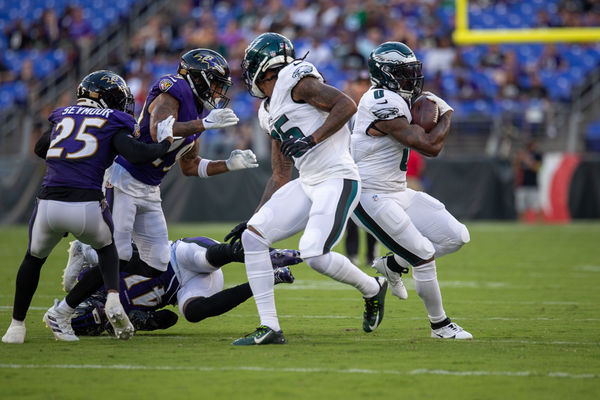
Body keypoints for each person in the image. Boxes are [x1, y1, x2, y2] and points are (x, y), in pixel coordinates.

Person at [52, 49, 259, 341]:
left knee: (158, 261)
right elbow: (160, 129)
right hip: (124, 178)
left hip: (150, 189)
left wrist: (229, 164)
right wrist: (205, 124)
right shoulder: (172, 88)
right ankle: (68, 295)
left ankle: (88, 251)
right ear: (197, 77)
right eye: (214, 82)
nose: (217, 91)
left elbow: (189, 166)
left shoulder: (198, 111)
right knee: (120, 254)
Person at [227, 32, 387, 346]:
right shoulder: (266, 110)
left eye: (252, 67)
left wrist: (311, 139)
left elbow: (346, 104)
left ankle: (372, 288)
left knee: (314, 253)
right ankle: (269, 327)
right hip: (308, 181)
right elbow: (280, 173)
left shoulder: (296, 79)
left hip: (338, 177)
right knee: (252, 237)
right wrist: (255, 217)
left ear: (267, 66)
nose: (248, 75)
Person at [2, 70, 175, 344]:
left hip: (48, 205)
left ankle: (16, 327)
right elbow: (137, 155)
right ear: (107, 99)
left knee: (32, 261)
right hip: (86, 206)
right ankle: (112, 300)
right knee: (112, 252)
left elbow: (39, 148)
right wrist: (166, 142)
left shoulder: (63, 116)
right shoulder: (113, 121)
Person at [350, 42, 472, 339]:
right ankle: (440, 326)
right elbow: (429, 147)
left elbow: (427, 142)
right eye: (405, 73)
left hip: (397, 191)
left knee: (456, 236)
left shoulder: (402, 99)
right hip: (369, 195)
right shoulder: (379, 100)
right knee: (423, 252)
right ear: (386, 75)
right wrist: (447, 115)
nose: (412, 78)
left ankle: (391, 264)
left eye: (413, 71)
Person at [62, 237, 301, 336]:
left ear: (92, 301)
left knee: (205, 259)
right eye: (101, 322)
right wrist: (141, 321)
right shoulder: (121, 318)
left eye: (98, 313)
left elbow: (121, 252)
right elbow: (169, 319)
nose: (105, 316)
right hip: (186, 286)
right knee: (192, 313)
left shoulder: (97, 280)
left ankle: (270, 254)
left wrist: (90, 254)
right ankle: (270, 278)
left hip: (179, 254)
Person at [344, 70, 377, 267]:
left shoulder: (373, 110)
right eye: (360, 83)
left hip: (369, 168)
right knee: (350, 214)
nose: (363, 88)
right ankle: (352, 254)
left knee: (373, 212)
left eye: (366, 84)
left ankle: (371, 255)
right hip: (348, 166)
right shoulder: (345, 108)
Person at [514, 139, 542, 222]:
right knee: (521, 208)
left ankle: (540, 225)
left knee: (536, 207)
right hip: (522, 185)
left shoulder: (537, 155)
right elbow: (515, 169)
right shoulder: (522, 155)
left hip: (533, 185)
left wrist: (528, 161)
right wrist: (519, 159)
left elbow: (538, 168)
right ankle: (521, 224)